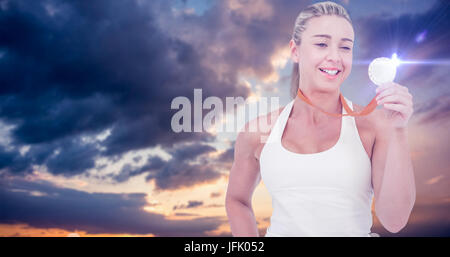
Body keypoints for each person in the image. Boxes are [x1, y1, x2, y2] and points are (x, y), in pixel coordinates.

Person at [225, 1, 416, 237]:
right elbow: (236, 200)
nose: (334, 57)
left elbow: (395, 221)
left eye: (345, 47)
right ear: (295, 51)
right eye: (322, 44)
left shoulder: (373, 125)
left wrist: (398, 130)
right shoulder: (257, 132)